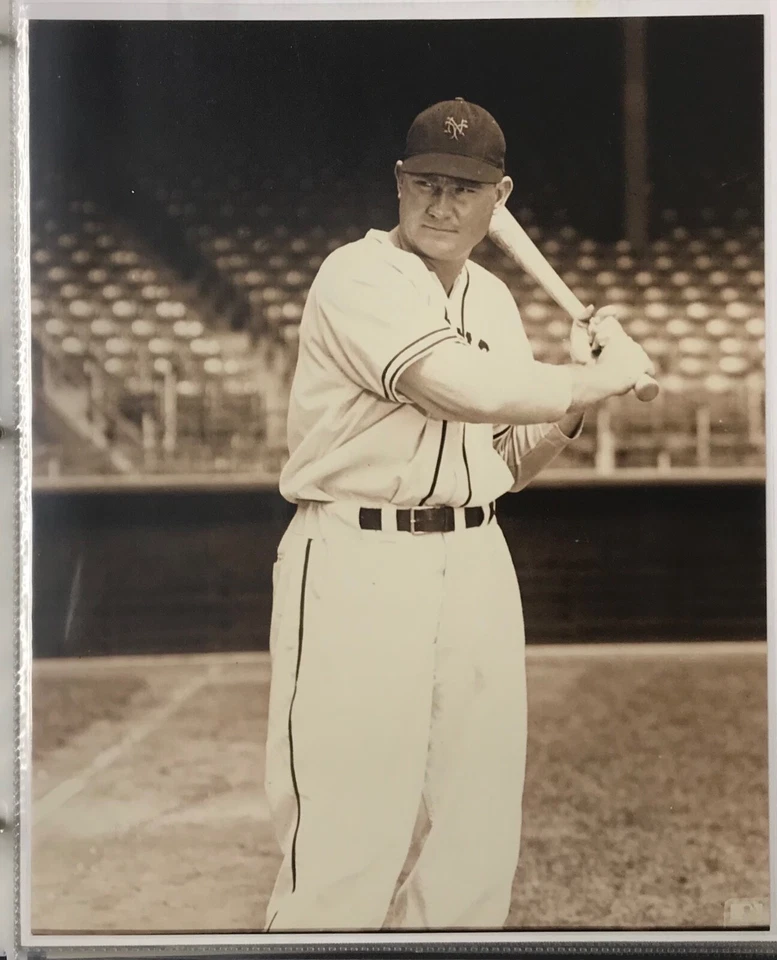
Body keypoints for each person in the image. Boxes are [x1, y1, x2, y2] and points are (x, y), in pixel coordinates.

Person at [262, 99, 654, 932]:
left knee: (476, 832)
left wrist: (572, 405)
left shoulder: (493, 302)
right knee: (348, 834)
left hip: (476, 557)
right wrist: (595, 377)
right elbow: (455, 387)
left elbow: (502, 463)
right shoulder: (356, 277)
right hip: (357, 560)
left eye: (464, 190)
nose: (442, 205)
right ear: (398, 186)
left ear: (497, 199)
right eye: (426, 184)